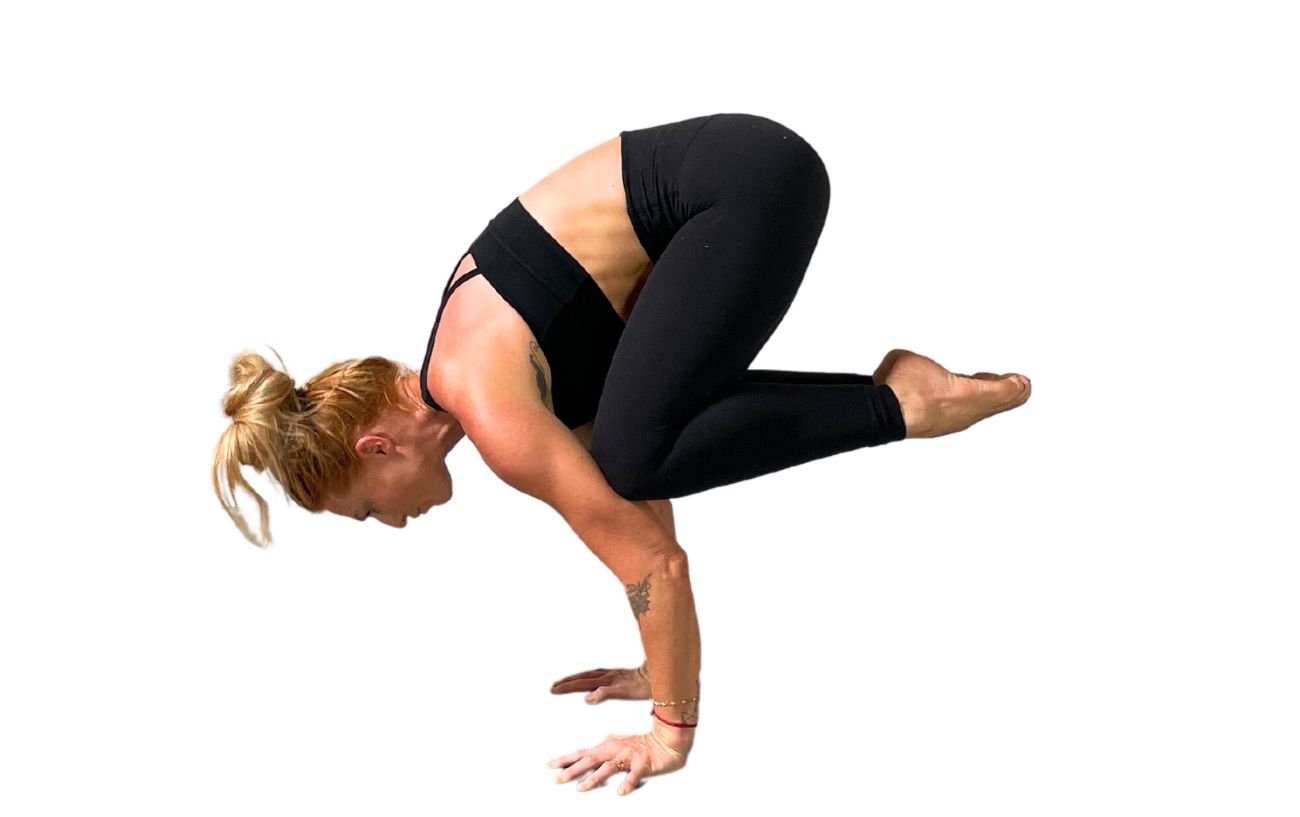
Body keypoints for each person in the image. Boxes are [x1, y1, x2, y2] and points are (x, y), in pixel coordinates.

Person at [212, 112, 1032, 796]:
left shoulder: (490, 404)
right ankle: (900, 397)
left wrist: (668, 732)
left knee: (635, 453)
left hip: (746, 187)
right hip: (747, 174)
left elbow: (654, 562)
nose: (390, 523)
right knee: (630, 449)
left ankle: (902, 402)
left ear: (375, 445)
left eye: (365, 506)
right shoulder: (483, 366)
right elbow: (639, 498)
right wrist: (656, 663)